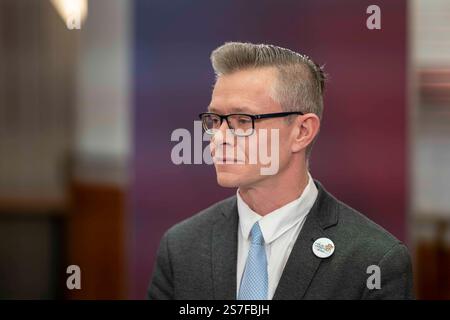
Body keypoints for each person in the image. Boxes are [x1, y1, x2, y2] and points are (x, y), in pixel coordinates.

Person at [148, 42, 414, 300]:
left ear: (302, 131)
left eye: (243, 120)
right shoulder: (181, 247)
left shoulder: (374, 260)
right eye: (215, 120)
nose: (218, 138)